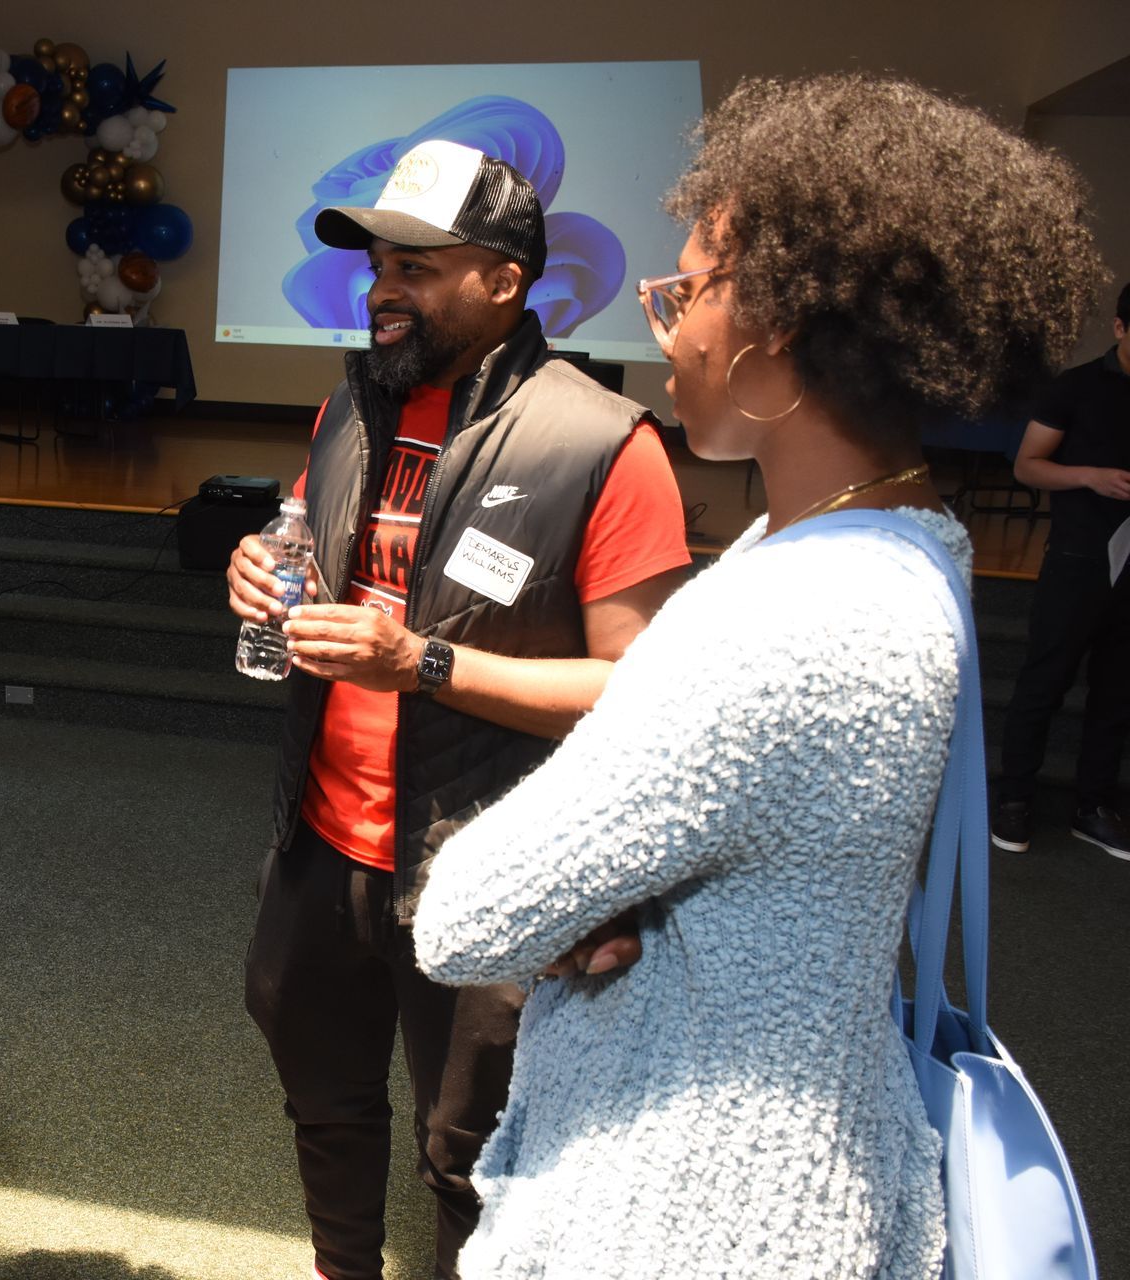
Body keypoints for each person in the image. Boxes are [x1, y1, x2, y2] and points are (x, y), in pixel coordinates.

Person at [412, 74, 1101, 1278]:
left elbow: (472, 914)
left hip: (687, 1207)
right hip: (819, 1147)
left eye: (684, 292)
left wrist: (588, 894)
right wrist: (619, 886)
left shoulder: (791, 611)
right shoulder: (901, 538)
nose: (665, 327)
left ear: (779, 339)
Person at [229, 138, 692, 1280]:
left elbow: (640, 697)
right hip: (324, 845)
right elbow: (310, 547)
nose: (385, 289)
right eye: (380, 264)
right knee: (326, 1105)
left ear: (506, 278)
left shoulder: (604, 443)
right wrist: (259, 562)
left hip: (490, 864)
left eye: (420, 267)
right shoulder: (349, 405)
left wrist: (422, 663)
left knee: (471, 1153)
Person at [992, 280, 1130, 859]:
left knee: (1119, 690)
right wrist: (1090, 476)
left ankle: (1092, 807)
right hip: (1078, 556)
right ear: (1120, 328)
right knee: (1045, 679)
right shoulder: (1076, 388)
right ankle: (1014, 799)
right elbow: (1028, 466)